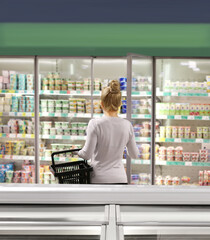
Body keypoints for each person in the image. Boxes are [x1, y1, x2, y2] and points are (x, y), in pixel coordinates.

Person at [78, 80, 139, 184]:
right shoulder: (127, 125)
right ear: (119, 104)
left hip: (99, 180)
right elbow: (134, 154)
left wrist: (76, 152)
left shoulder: (95, 124)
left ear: (101, 104)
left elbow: (86, 154)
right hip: (120, 179)